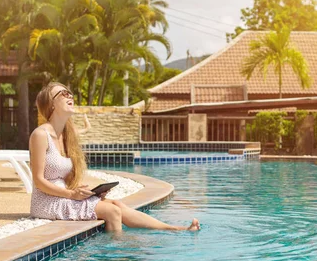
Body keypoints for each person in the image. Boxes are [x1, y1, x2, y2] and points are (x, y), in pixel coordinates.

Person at [29, 82, 200, 232]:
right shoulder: (40, 135)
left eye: (69, 93)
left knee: (117, 205)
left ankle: (175, 229)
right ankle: (116, 255)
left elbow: (61, 177)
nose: (70, 95)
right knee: (112, 212)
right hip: (46, 202)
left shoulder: (66, 136)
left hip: (63, 195)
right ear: (51, 104)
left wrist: (86, 192)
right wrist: (71, 194)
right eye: (63, 93)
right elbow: (38, 181)